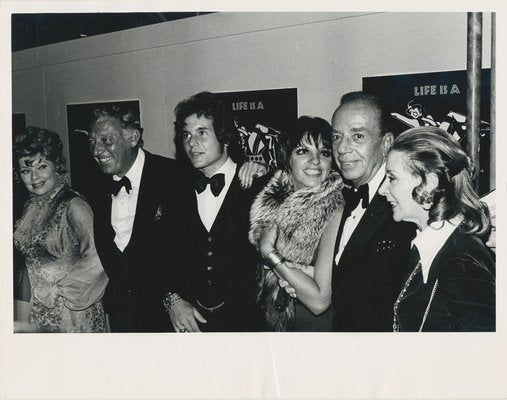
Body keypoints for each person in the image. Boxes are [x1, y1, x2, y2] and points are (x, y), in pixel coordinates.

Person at [378, 126, 495, 331]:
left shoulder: (462, 262)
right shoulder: (433, 246)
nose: (382, 189)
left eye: (392, 178)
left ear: (429, 184)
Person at [165, 91, 263, 332]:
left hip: (247, 329)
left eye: (202, 132)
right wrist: (172, 301)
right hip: (192, 329)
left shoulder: (259, 184)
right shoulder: (176, 191)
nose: (191, 142)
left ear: (224, 136)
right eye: (186, 134)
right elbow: (163, 258)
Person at [88, 104, 180, 332]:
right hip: (122, 318)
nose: (96, 150)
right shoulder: (93, 185)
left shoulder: (173, 175)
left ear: (132, 137)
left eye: (106, 140)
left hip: (169, 318)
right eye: (92, 142)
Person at [330, 91, 416, 331]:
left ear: (386, 143)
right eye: (336, 137)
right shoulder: (341, 197)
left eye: (357, 136)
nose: (342, 149)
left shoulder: (405, 203)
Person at [250, 116, 344, 331]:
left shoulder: (336, 207)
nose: (316, 161)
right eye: (303, 151)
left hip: (312, 329)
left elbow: (320, 301)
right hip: (265, 326)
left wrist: (270, 253)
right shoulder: (267, 200)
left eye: (325, 152)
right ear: (288, 159)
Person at [13, 127, 108, 333]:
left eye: (42, 167)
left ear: (57, 165)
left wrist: (59, 290)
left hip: (72, 310)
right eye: (26, 171)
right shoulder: (31, 207)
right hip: (36, 312)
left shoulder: (74, 205)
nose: (35, 177)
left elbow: (99, 257)